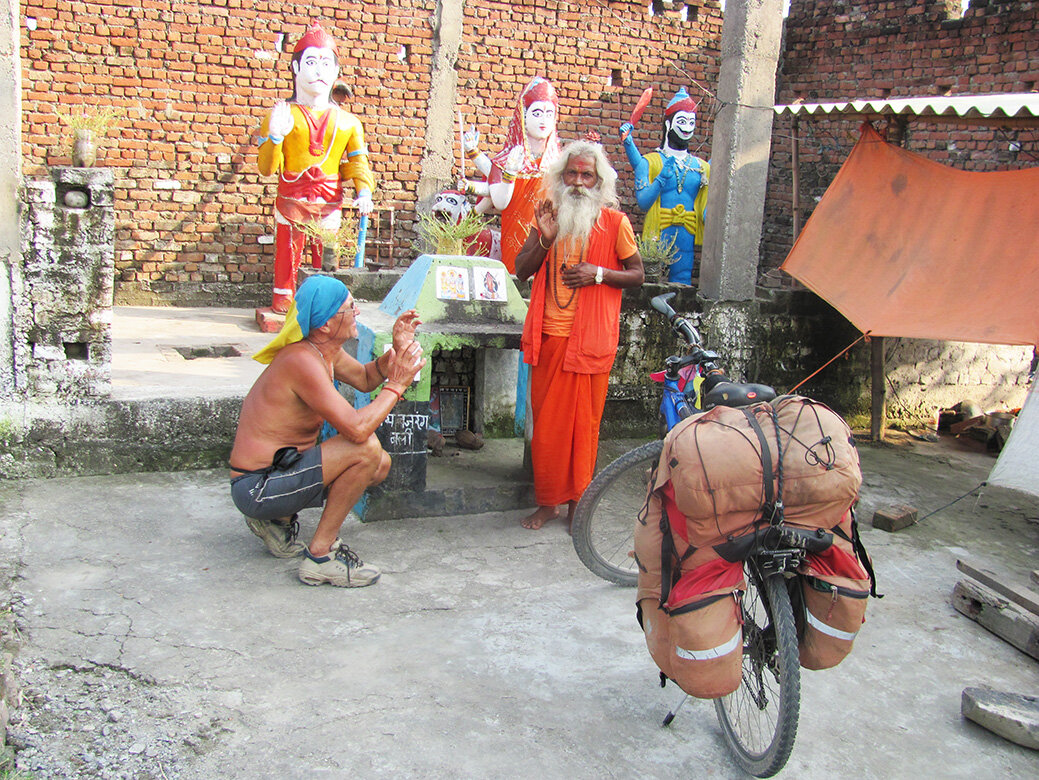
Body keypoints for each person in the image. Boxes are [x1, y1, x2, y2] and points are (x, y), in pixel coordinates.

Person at [229, 275, 425, 587]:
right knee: (366, 449)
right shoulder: (301, 361)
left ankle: (277, 521)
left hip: (280, 472)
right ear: (324, 325)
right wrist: (397, 384)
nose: (358, 313)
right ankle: (320, 556)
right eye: (350, 308)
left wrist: (396, 351)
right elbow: (358, 430)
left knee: (380, 464)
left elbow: (364, 377)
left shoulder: (323, 350)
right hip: (258, 487)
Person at [515, 139, 645, 530]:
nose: (577, 181)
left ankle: (577, 506)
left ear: (598, 180)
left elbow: (638, 275)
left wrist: (599, 274)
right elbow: (521, 269)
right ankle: (548, 502)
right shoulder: (547, 217)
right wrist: (545, 237)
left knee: (584, 431)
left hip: (590, 344)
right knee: (548, 432)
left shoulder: (615, 223)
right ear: (560, 177)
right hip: (550, 341)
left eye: (586, 174)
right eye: (571, 173)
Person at [257, 25, 375, 313]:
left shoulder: (349, 122)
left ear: (336, 71)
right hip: (291, 198)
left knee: (326, 261)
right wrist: (274, 138)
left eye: (326, 63)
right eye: (311, 62)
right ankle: (284, 299)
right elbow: (266, 168)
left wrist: (365, 191)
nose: (318, 71)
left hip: (329, 200)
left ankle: (322, 307)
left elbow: (359, 163)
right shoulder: (280, 114)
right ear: (296, 67)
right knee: (287, 255)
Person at [459, 76, 561, 273]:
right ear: (523, 115)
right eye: (537, 113)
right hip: (515, 237)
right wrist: (510, 172)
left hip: (549, 238)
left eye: (549, 114)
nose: (543, 120)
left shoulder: (561, 163)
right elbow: (499, 201)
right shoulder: (506, 160)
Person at [619, 87, 709, 285]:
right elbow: (643, 202)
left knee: (683, 280)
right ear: (668, 124)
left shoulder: (702, 167)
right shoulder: (652, 162)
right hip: (658, 231)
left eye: (691, 122)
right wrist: (660, 179)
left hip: (688, 231)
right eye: (682, 122)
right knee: (651, 279)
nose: (687, 127)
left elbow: (706, 207)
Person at [430, 188, 501, 260]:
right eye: (439, 200)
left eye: (451, 201)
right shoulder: (443, 234)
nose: (440, 204)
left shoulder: (474, 235)